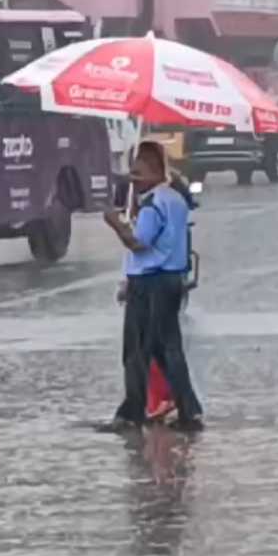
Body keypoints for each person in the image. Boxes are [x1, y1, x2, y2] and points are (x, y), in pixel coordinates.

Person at [102, 141, 203, 432]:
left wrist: (115, 223)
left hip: (149, 283)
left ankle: (132, 413)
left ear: (156, 171)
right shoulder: (176, 199)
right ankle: (188, 411)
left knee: (136, 351)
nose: (133, 180)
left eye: (138, 173)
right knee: (167, 349)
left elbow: (138, 243)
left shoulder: (153, 204)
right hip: (171, 280)